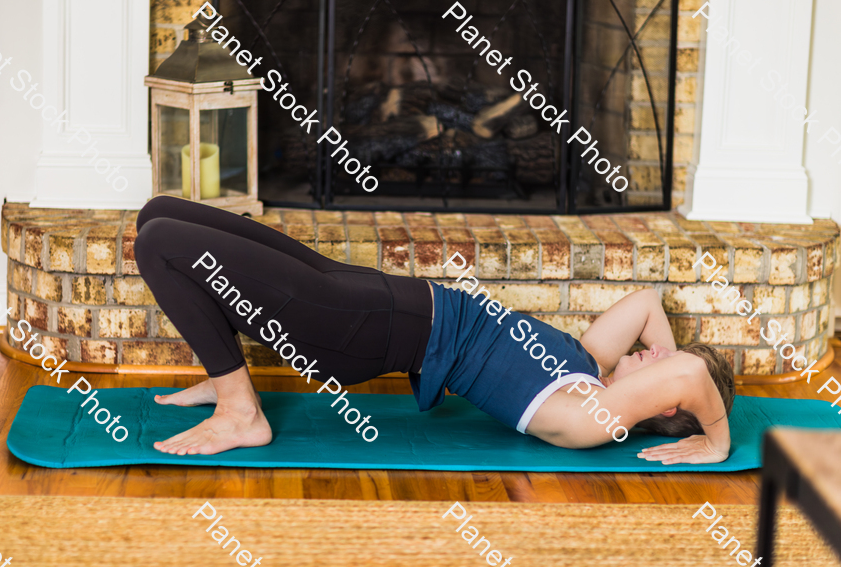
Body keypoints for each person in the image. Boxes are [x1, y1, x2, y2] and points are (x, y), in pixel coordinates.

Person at [133, 196, 734, 464]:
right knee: (160, 213)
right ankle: (224, 375)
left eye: (654, 363)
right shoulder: (588, 368)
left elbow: (688, 372)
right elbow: (648, 301)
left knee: (161, 244)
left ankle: (241, 411)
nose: (654, 350)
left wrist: (716, 438)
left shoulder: (592, 416)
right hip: (377, 298)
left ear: (661, 405)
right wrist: (661, 360)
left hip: (359, 328)